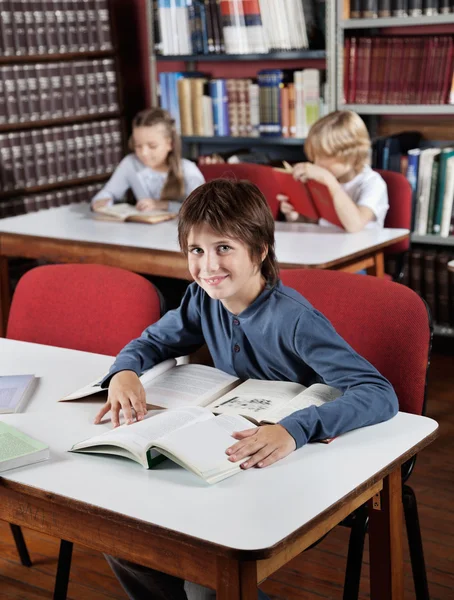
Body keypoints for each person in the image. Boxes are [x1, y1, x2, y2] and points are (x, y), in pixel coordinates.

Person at [93, 179, 398, 600]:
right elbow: (151, 342)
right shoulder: (201, 300)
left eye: (223, 248)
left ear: (259, 251)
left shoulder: (294, 320)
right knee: (124, 543)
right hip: (226, 459)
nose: (207, 265)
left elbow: (379, 392)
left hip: (292, 469)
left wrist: (295, 429)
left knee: (204, 579)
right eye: (196, 251)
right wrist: (125, 371)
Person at [279, 110, 389, 233]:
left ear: (351, 155)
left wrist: (330, 182)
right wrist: (296, 217)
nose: (316, 164)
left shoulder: (373, 184)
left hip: (363, 250)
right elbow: (319, 223)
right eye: (315, 156)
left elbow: (355, 225)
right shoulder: (327, 179)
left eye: (324, 156)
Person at [91, 107, 205, 214]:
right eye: (138, 146)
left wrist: (164, 205)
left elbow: (201, 209)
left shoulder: (188, 170)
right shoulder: (130, 163)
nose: (143, 153)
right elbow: (108, 192)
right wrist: (101, 201)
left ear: (170, 144)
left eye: (152, 146)